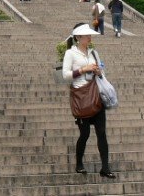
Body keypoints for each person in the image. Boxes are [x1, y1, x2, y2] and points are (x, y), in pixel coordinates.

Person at [62, 23, 115, 179]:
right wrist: (83, 70)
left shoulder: (93, 53)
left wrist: (98, 71)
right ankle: (79, 163)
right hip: (81, 97)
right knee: (84, 134)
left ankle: (105, 167)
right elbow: (65, 75)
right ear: (78, 38)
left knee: (102, 133)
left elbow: (101, 72)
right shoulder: (70, 54)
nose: (89, 38)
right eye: (86, 36)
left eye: (90, 35)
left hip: (96, 95)